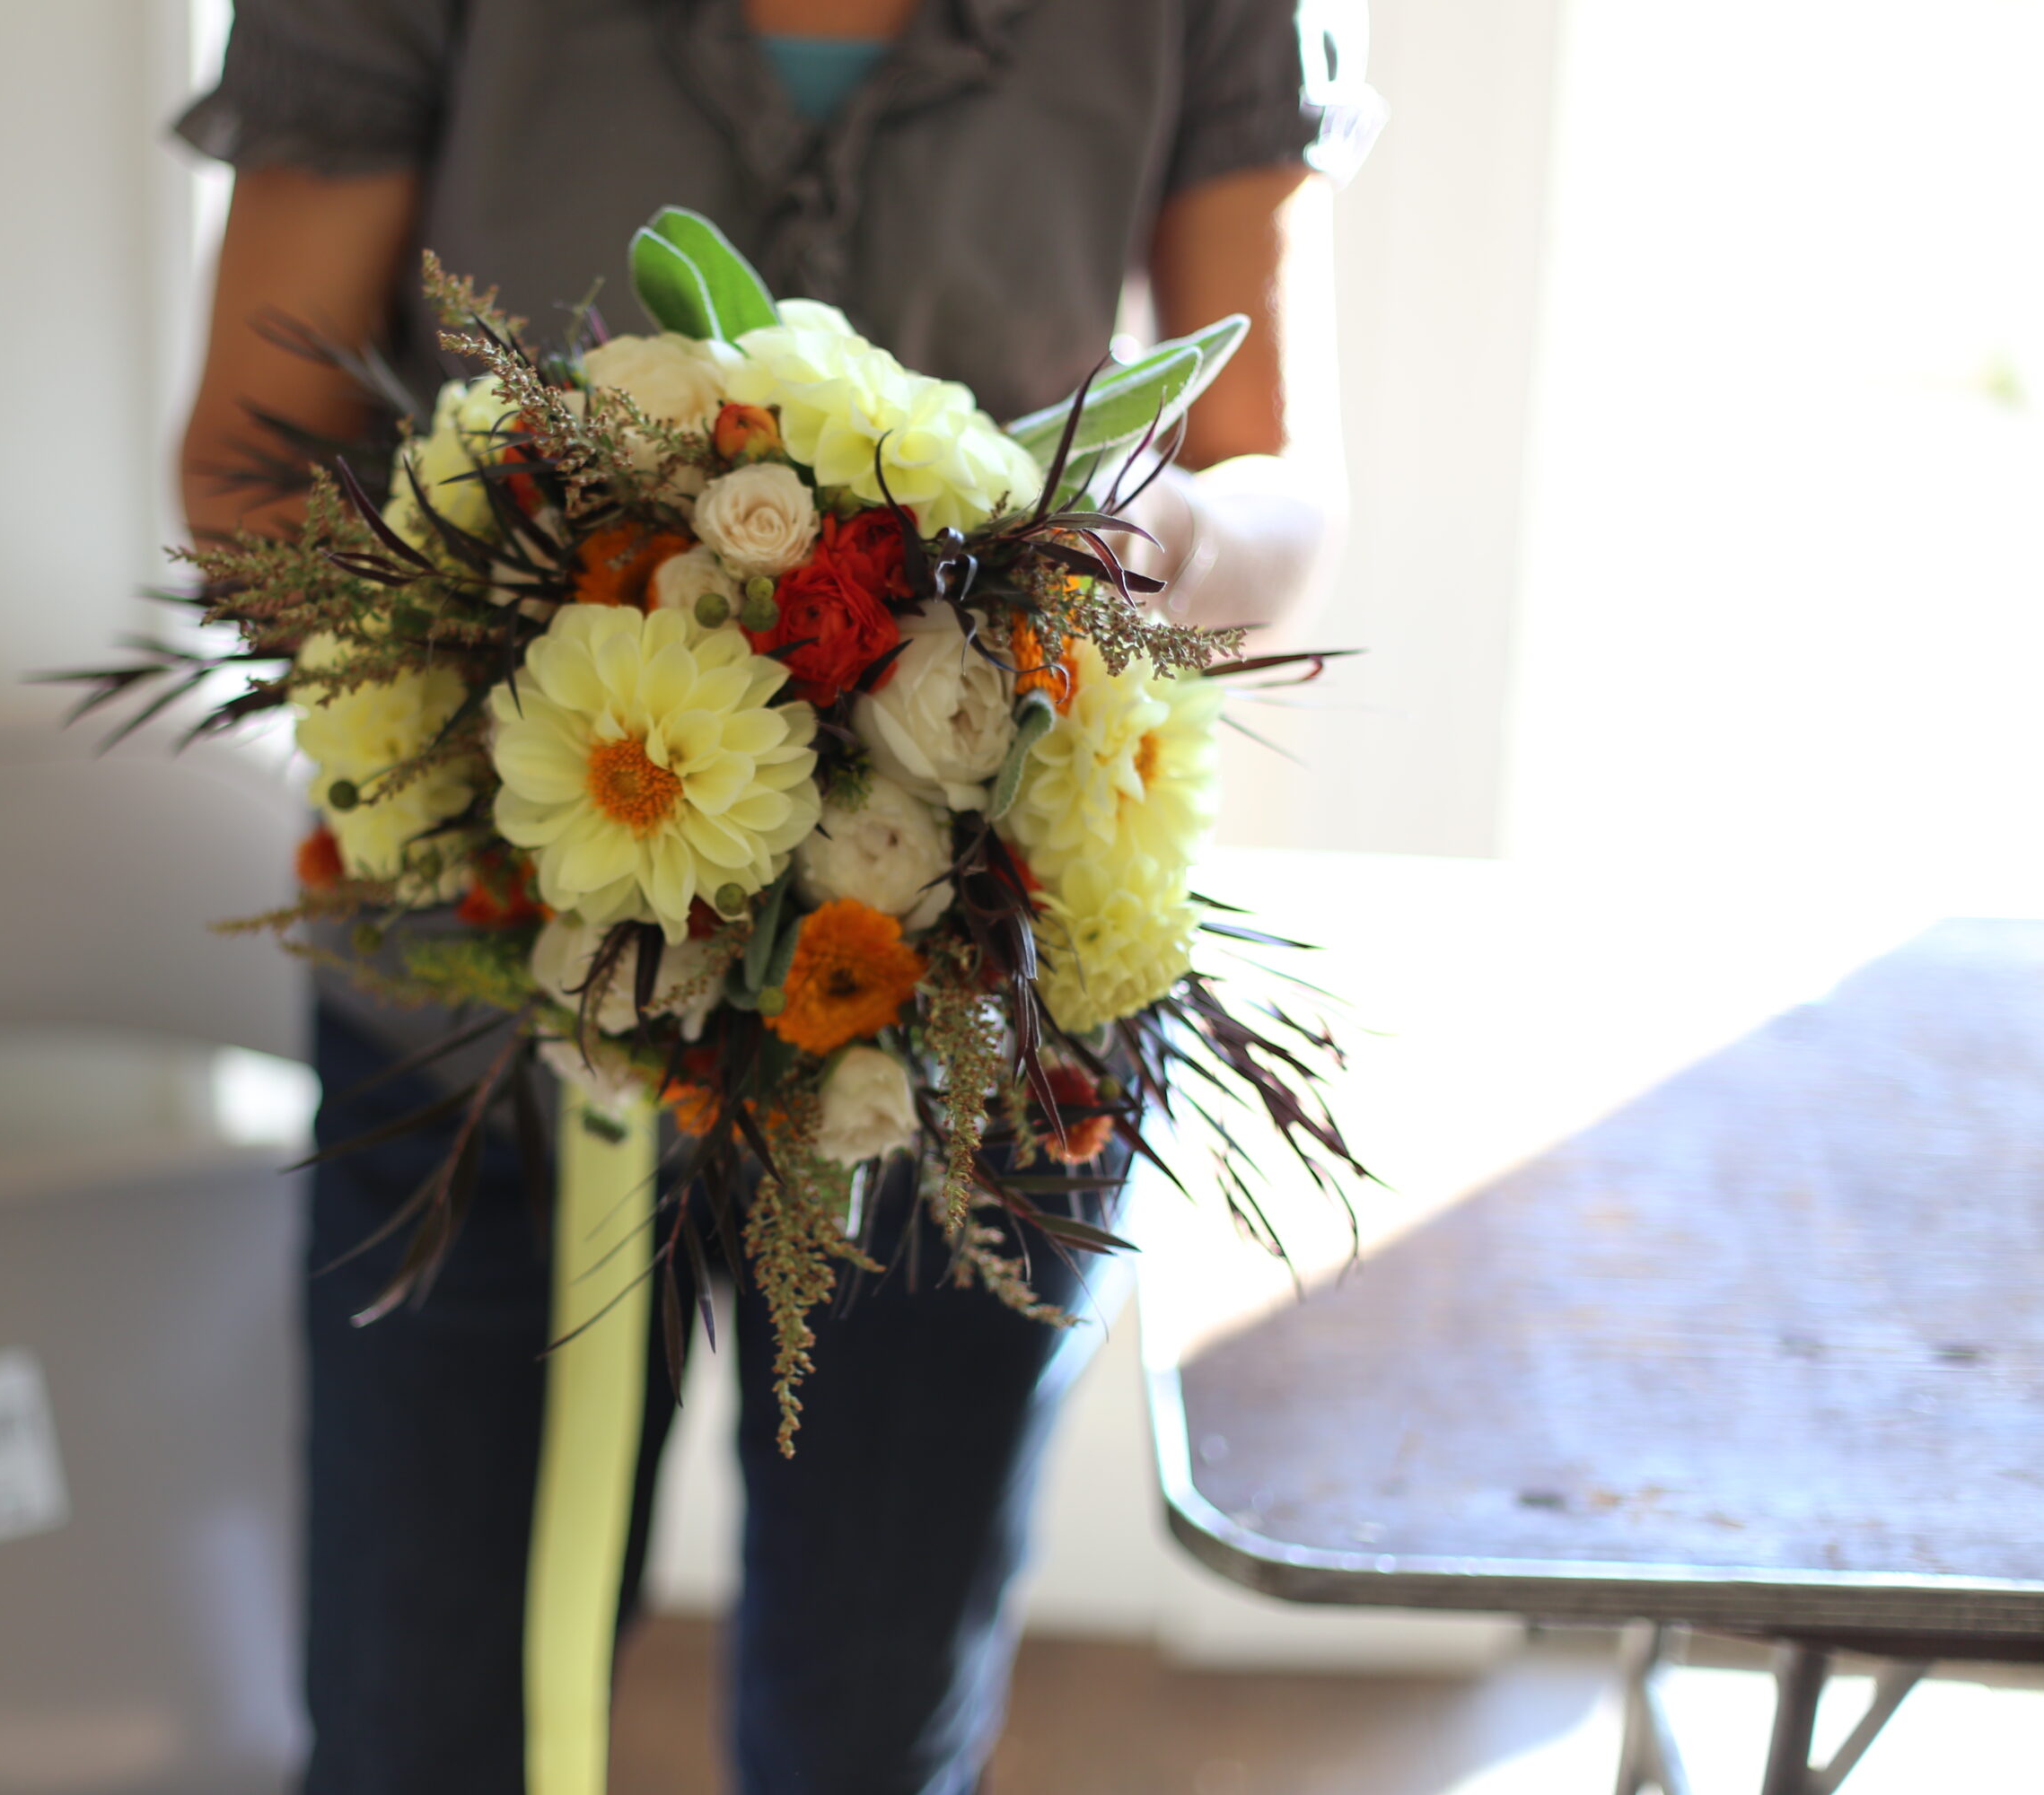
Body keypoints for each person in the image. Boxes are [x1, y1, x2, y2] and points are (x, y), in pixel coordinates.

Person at [174, 4, 1357, 1789]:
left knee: (865, 1742)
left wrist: (1149, 551)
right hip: (482, 1015)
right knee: (421, 1732)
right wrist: (544, 721)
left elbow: (1275, 477)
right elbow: (246, 473)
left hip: (970, 1003)